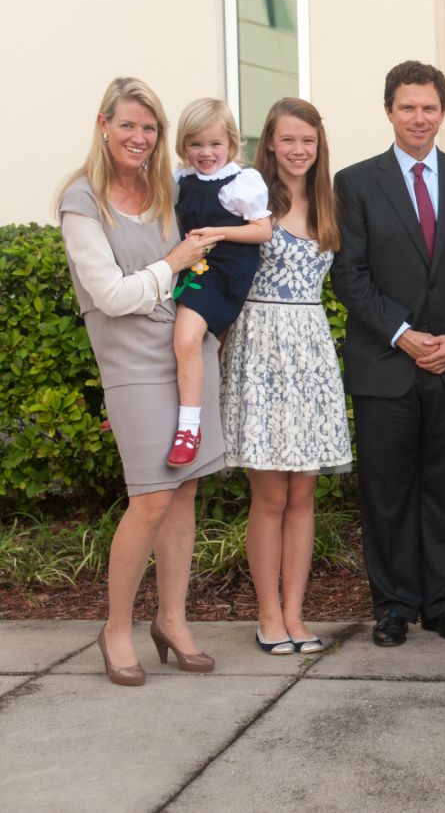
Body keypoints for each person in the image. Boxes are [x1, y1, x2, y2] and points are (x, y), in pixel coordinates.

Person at [57, 77, 224, 685]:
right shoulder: (81, 201)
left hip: (186, 352)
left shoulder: (166, 190)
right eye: (128, 124)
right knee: (151, 496)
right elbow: (108, 295)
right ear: (104, 125)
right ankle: (116, 627)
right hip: (131, 363)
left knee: (184, 492)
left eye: (149, 128)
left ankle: (173, 621)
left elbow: (204, 261)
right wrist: (171, 264)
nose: (139, 137)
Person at [331, 61, 445, 647]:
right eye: (407, 107)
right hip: (386, 365)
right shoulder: (354, 182)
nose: (418, 117)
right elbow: (348, 275)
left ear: (443, 112)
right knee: (387, 492)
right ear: (389, 111)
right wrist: (401, 333)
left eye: (429, 107)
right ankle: (394, 607)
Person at [220, 98, 353, 655]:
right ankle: (267, 613)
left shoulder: (329, 204)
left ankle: (297, 614)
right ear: (270, 144)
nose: (299, 150)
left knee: (305, 495)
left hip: (312, 351)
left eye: (309, 141)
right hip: (261, 350)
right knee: (270, 495)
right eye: (289, 140)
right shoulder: (248, 198)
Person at [167, 99, 272, 468]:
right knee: (187, 347)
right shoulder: (181, 180)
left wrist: (218, 233)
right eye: (196, 144)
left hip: (221, 270)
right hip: (189, 266)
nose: (206, 153)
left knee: (187, 338)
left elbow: (263, 229)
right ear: (183, 145)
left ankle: (189, 429)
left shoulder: (241, 183)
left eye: (214, 143)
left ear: (231, 142)